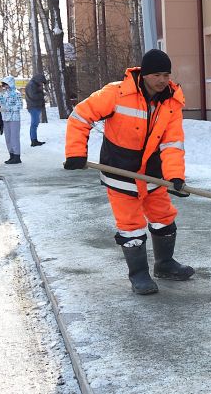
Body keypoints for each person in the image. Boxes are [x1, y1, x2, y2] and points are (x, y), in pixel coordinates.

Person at [62, 49, 193, 295]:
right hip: (119, 170)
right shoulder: (117, 93)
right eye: (156, 74)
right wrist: (76, 153)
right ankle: (139, 274)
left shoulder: (172, 102)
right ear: (144, 74)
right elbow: (80, 116)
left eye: (166, 74)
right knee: (131, 224)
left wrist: (175, 176)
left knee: (163, 216)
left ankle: (164, 264)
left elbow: (172, 143)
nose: (162, 80)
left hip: (152, 173)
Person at [0, 77, 24, 164]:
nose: (5, 86)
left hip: (14, 118)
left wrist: (6, 109)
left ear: (11, 83)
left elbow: (19, 106)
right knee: (8, 138)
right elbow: (1, 103)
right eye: (4, 85)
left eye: (6, 84)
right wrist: (0, 94)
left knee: (14, 137)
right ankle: (11, 155)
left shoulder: (17, 93)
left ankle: (17, 156)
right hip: (5, 118)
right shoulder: (4, 93)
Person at [25, 73, 47, 146]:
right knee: (34, 124)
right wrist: (42, 94)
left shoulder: (34, 84)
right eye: (41, 82)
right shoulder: (32, 85)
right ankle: (34, 141)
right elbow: (33, 96)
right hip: (33, 107)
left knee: (35, 124)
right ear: (38, 80)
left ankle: (34, 140)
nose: (41, 84)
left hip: (35, 106)